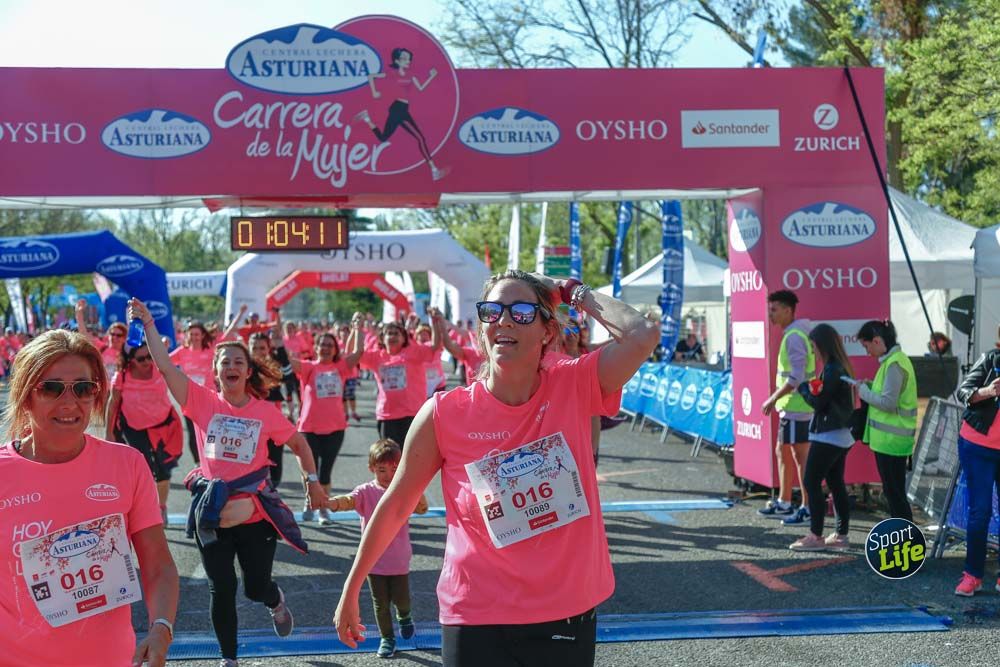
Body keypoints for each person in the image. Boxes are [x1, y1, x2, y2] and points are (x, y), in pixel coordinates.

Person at [333, 270, 659, 667]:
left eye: (522, 311)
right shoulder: (444, 413)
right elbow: (397, 503)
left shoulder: (574, 383)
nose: (504, 319)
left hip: (564, 610)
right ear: (482, 329)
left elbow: (642, 333)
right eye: (493, 311)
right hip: (476, 615)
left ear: (547, 331)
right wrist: (351, 587)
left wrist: (573, 291)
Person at [131, 298, 326, 667]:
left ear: (248, 371)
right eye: (226, 362)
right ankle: (229, 658)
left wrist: (312, 482)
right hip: (213, 515)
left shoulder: (264, 412)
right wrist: (149, 324)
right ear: (216, 373)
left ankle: (274, 599)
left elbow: (299, 444)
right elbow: (164, 365)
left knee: (255, 588)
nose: (233, 366)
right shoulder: (200, 402)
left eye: (239, 362)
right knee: (221, 589)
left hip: (254, 518)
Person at [0, 329, 178, 667]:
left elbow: (158, 566)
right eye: (51, 388)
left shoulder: (126, 465)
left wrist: (161, 628)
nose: (70, 403)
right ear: (25, 396)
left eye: (83, 389)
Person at [327, 439, 429, 658]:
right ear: (371, 468)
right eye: (382, 470)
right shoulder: (366, 491)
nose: (388, 475)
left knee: (402, 599)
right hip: (373, 562)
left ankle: (404, 615)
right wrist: (331, 503)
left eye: (394, 469)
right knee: (380, 604)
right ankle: (387, 638)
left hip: (399, 559)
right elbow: (349, 501)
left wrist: (415, 487)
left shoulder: (402, 489)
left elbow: (422, 508)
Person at [788, 324, 856, 551]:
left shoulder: (833, 369)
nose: (812, 351)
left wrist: (805, 388)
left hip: (829, 435)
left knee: (811, 481)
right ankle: (840, 535)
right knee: (836, 483)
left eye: (813, 346)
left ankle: (815, 536)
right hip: (840, 433)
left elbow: (819, 403)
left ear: (822, 345)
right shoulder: (838, 367)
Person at [292, 327, 363, 525]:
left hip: (335, 429)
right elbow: (286, 363)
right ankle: (309, 501)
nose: (325, 348)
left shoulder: (340, 367)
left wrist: (357, 328)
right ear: (315, 347)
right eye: (322, 344)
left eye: (329, 345)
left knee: (324, 473)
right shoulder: (308, 367)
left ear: (335, 350)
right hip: (308, 429)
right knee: (309, 473)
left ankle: (323, 508)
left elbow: (358, 353)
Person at [106, 342, 183, 523]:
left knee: (163, 471)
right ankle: (145, 509)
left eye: (150, 356)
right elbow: (112, 404)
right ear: (130, 360)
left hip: (163, 426)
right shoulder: (121, 377)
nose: (148, 361)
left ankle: (161, 506)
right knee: (143, 471)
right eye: (141, 358)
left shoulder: (160, 369)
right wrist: (109, 432)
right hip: (134, 429)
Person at [759, 290, 814, 524]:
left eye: (774, 309)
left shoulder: (794, 335)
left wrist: (772, 398)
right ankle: (786, 501)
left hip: (796, 406)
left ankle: (806, 506)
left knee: (799, 456)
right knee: (785, 452)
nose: (770, 314)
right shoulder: (798, 331)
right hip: (794, 406)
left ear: (788, 310)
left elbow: (796, 377)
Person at [354, 46, 447, 181]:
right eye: (404, 58)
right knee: (420, 138)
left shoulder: (411, 75)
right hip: (397, 109)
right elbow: (371, 76)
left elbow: (421, 88)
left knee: (383, 138)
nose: (408, 61)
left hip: (402, 109)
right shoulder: (391, 73)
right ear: (397, 61)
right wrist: (374, 92)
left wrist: (431, 77)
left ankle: (367, 118)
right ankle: (434, 170)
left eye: (409, 58)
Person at [856, 319, 917, 522]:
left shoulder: (894, 363)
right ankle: (904, 538)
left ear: (877, 341)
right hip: (891, 441)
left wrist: (864, 392)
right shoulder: (894, 361)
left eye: (866, 346)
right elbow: (890, 395)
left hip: (892, 442)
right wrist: (872, 386)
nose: (867, 353)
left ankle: (905, 540)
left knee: (895, 495)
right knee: (894, 494)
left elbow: (888, 403)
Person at [953, 343, 1000, 595]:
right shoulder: (991, 359)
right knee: (980, 511)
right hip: (978, 445)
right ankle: (972, 576)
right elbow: (963, 392)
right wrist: (989, 390)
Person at [171, 312, 246, 464]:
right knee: (193, 433)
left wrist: (241, 314)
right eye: (191, 334)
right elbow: (163, 362)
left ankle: (215, 460)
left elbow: (228, 334)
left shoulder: (210, 350)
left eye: (197, 334)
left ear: (203, 335)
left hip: (209, 397)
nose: (194, 337)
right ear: (186, 335)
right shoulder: (182, 352)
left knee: (212, 430)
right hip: (188, 398)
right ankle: (199, 463)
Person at [360, 313, 443, 447]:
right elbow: (355, 354)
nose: (392, 336)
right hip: (387, 416)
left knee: (413, 457)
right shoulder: (377, 356)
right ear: (382, 338)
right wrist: (357, 329)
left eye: (396, 333)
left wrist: (435, 322)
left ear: (404, 338)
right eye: (389, 333)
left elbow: (435, 346)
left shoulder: (414, 352)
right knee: (391, 460)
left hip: (413, 414)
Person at [249, 330, 293, 486]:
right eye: (254, 348)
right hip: (249, 424)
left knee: (275, 461)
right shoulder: (244, 367)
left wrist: (280, 348)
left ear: (268, 349)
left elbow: (289, 376)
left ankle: (272, 490)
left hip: (273, 421)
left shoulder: (274, 366)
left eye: (262, 348)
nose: (258, 352)